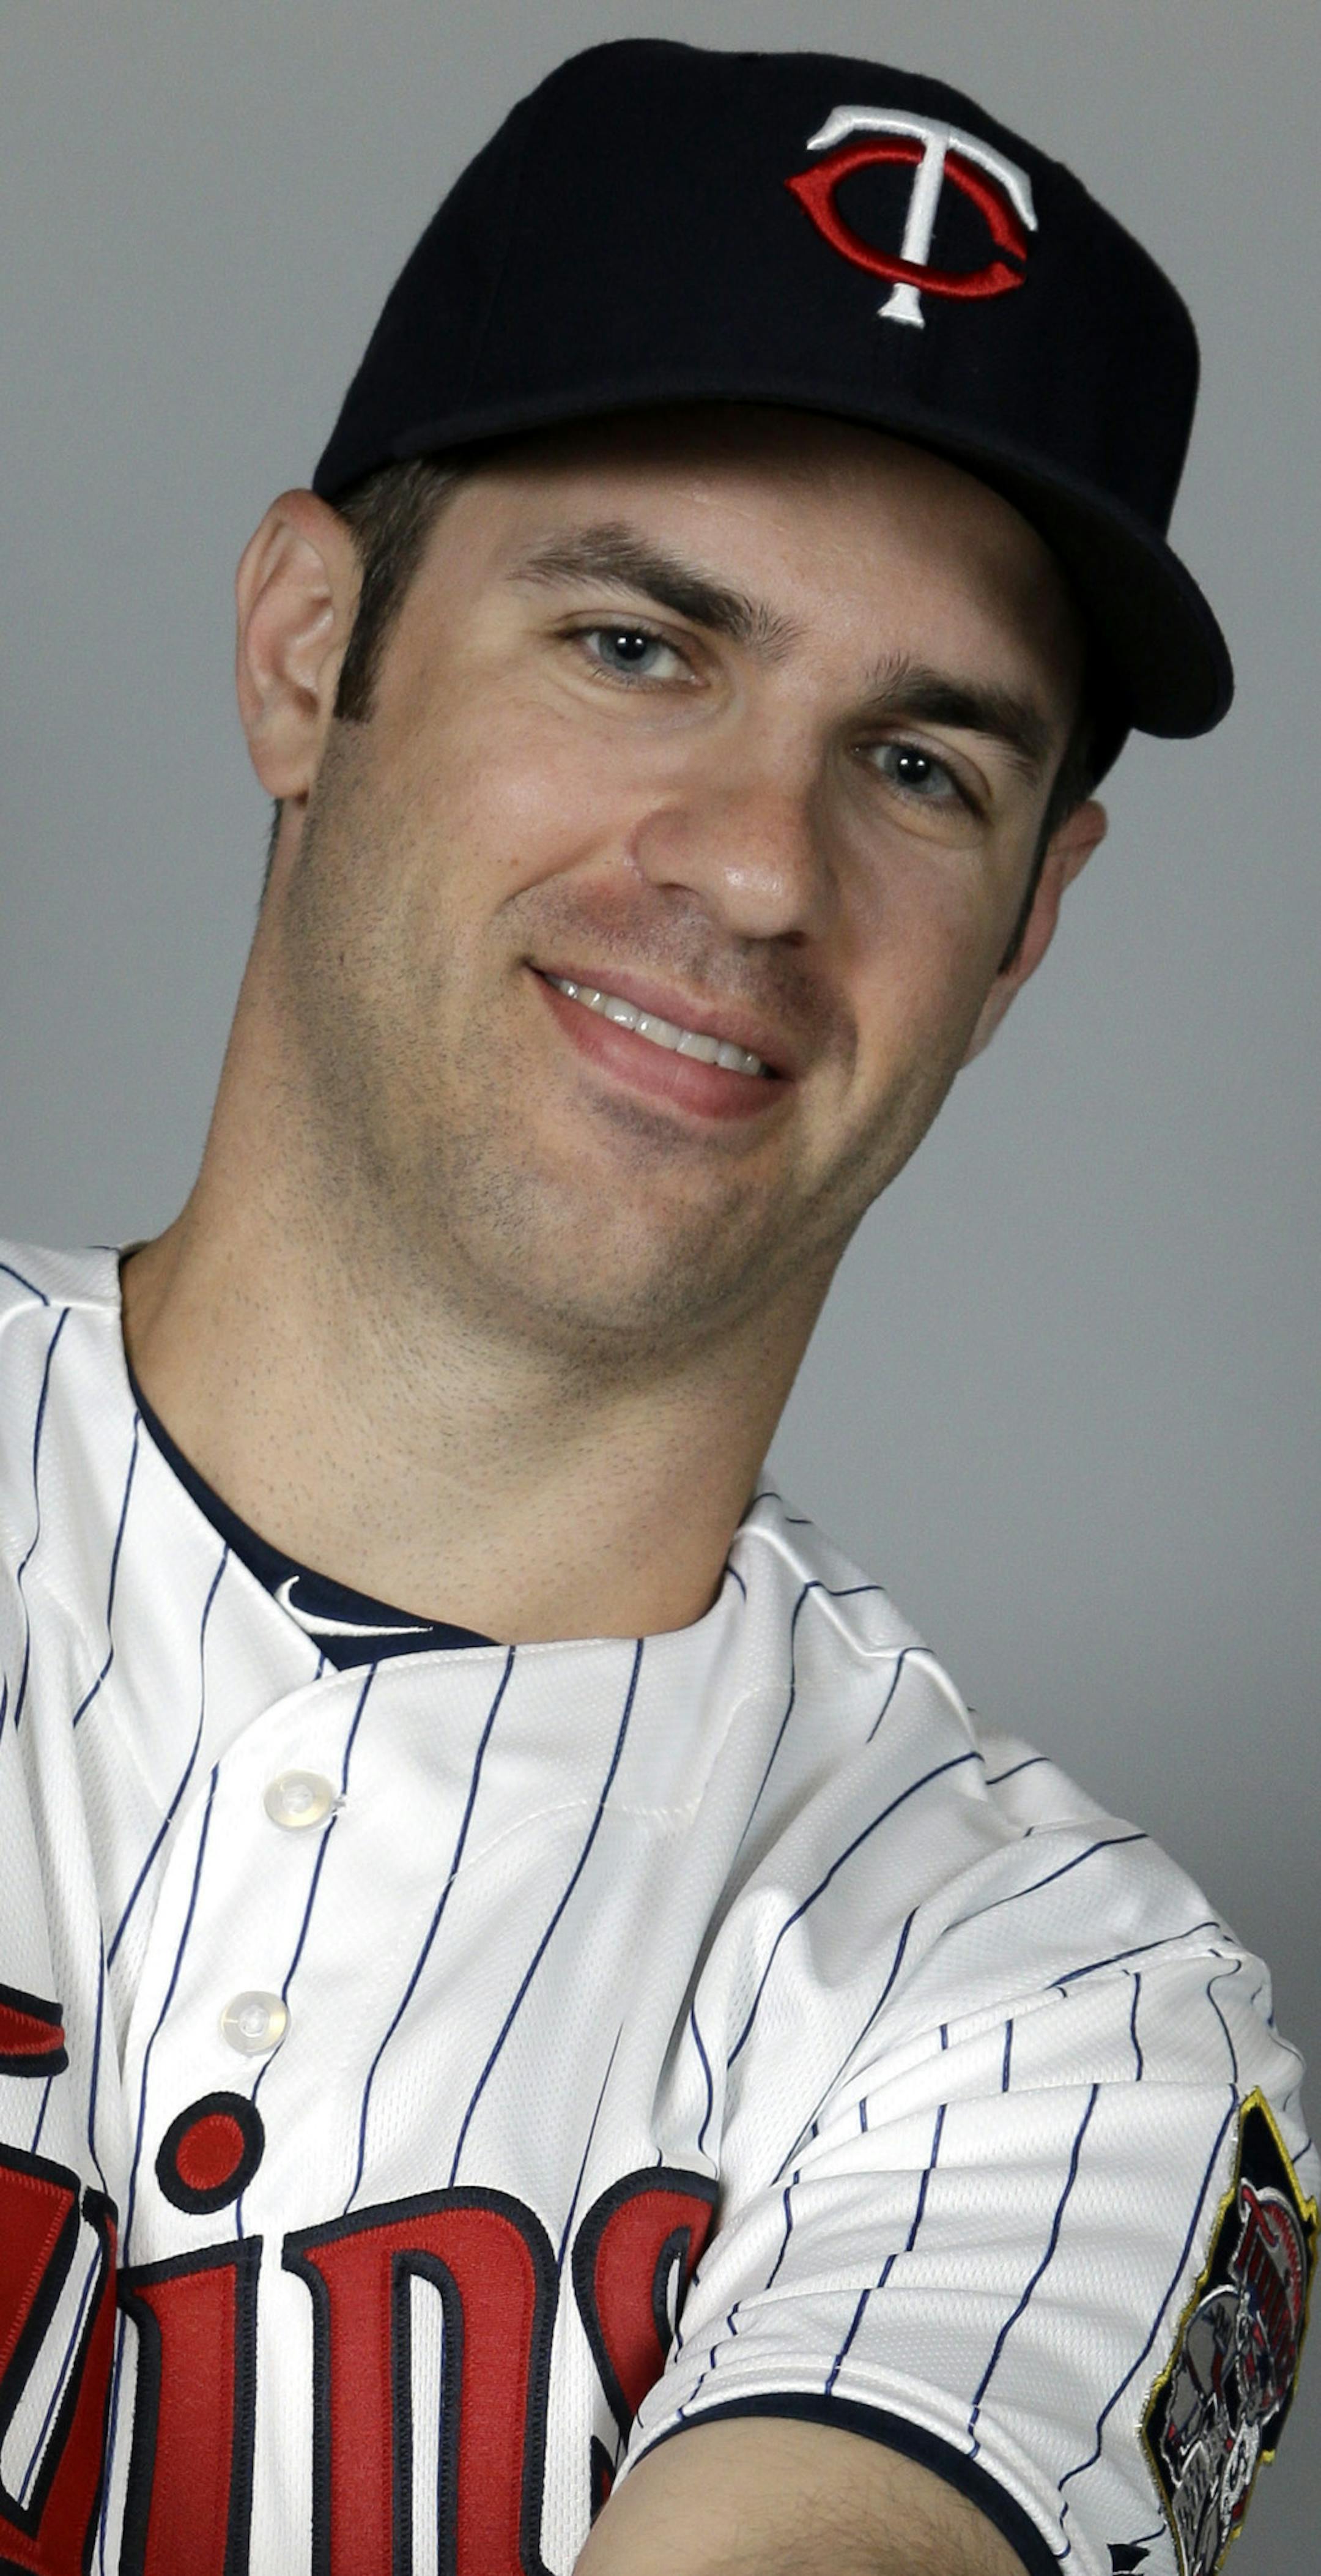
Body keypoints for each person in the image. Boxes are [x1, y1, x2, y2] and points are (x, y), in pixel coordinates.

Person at [0, 35, 1312, 2576]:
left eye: (922, 767)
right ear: (305, 648)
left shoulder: (1071, 2028)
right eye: (636, 646)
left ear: (1031, 925)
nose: (750, 871)